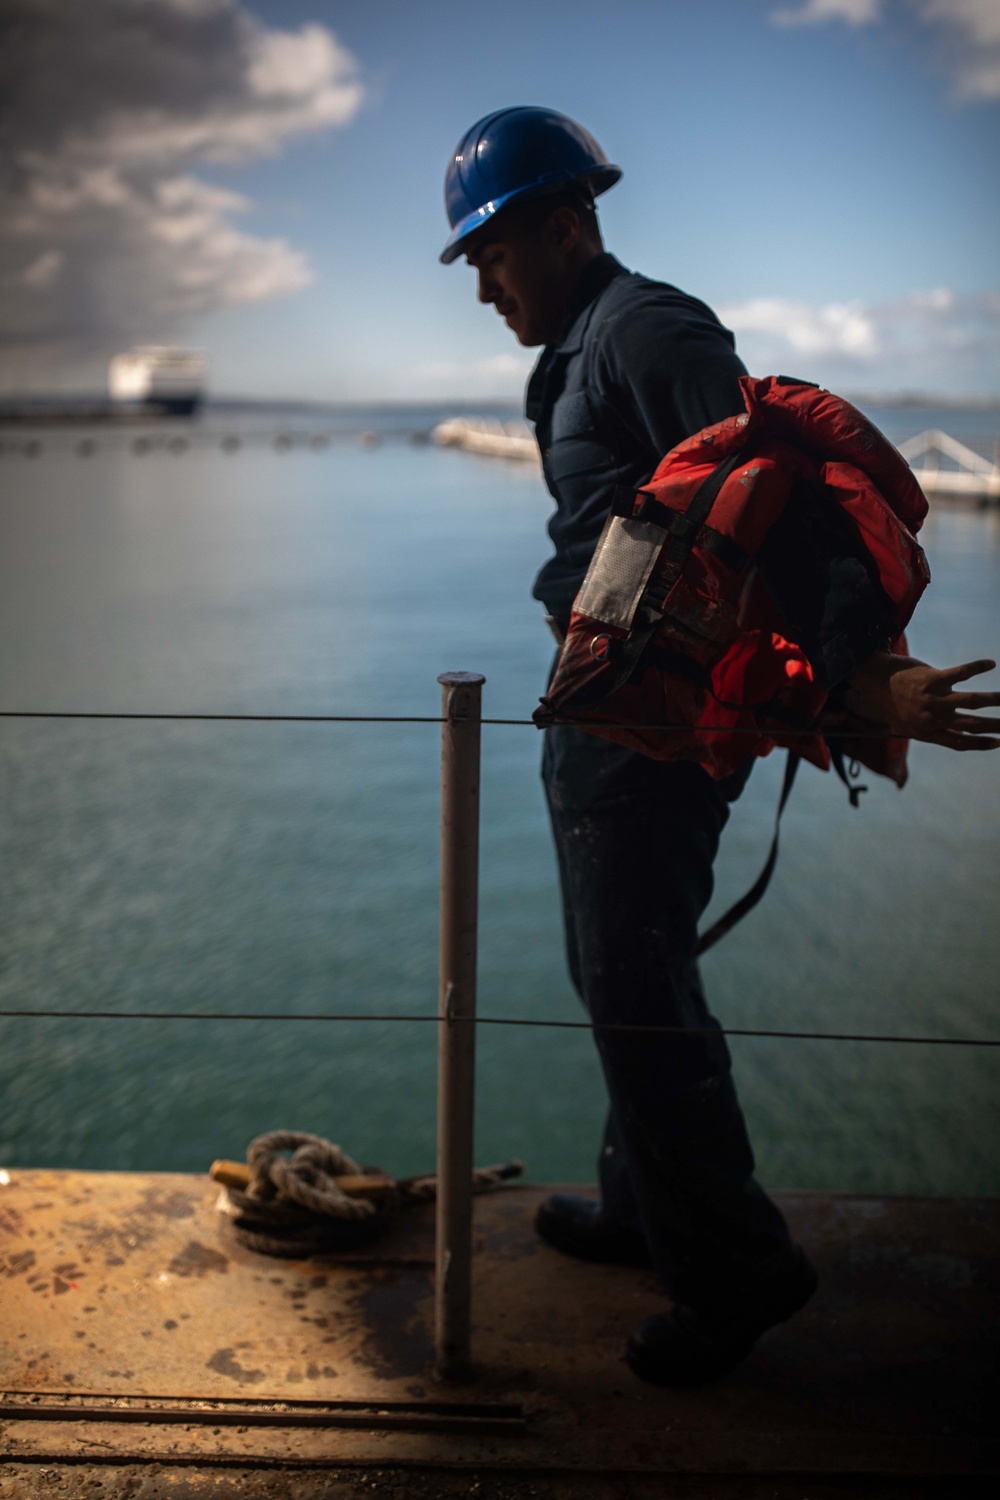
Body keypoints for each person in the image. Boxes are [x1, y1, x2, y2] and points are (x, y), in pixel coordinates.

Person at [439, 107, 1000, 1385]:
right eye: (470, 263)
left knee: (637, 989)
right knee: (622, 976)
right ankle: (643, 1205)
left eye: (492, 254)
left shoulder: (646, 330)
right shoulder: (584, 345)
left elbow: (781, 493)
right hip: (611, 710)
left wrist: (867, 674)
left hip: (655, 734)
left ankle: (738, 1273)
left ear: (568, 224)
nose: (483, 284)